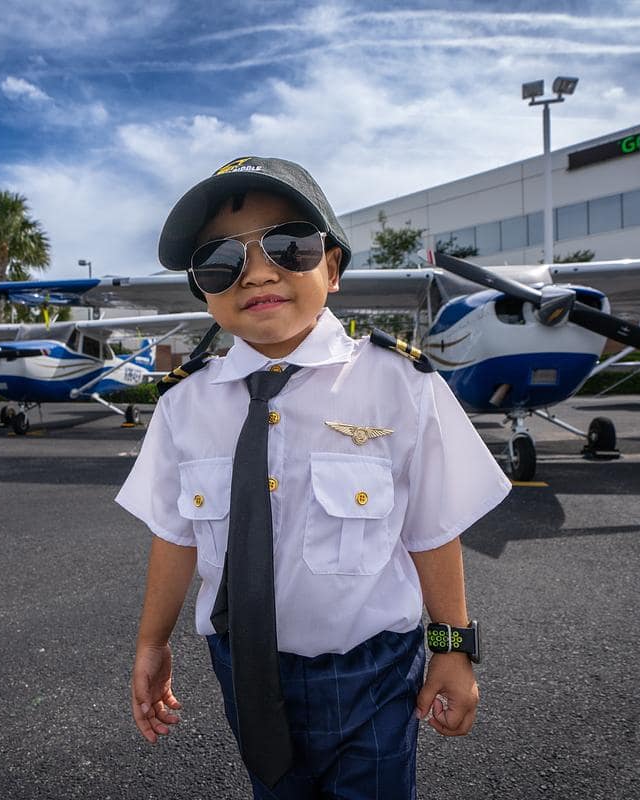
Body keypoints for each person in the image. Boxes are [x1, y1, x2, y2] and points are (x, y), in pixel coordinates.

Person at [117, 156, 511, 799]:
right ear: (205, 290)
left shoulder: (399, 386)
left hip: (372, 670)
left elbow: (433, 528)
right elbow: (176, 534)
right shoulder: (182, 407)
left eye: (288, 244)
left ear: (330, 267)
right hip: (242, 667)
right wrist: (151, 645)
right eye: (221, 260)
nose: (259, 271)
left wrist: (453, 647)